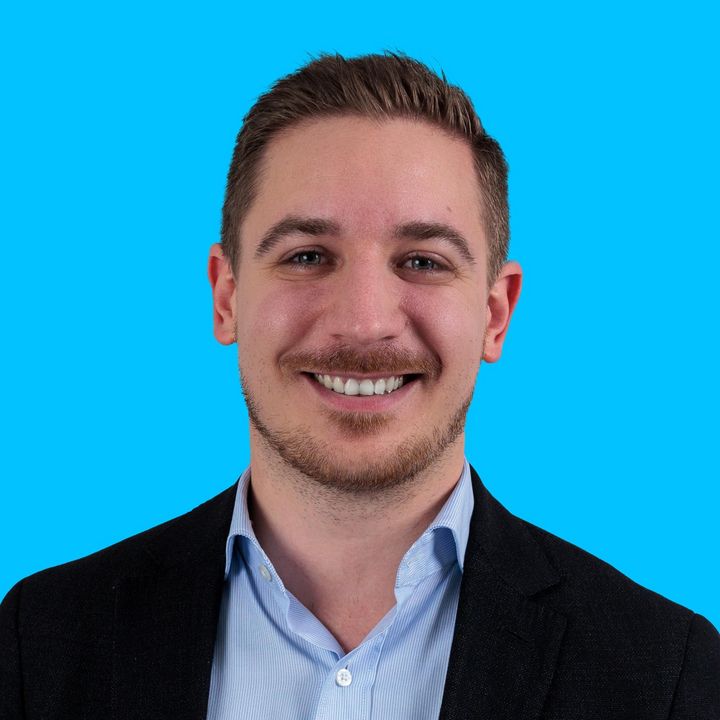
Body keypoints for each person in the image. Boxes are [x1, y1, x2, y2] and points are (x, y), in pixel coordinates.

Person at [1, 52, 718, 719]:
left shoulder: (669, 675)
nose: (365, 322)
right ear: (226, 297)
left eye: (423, 261)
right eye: (308, 256)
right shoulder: (39, 644)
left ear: (496, 314)